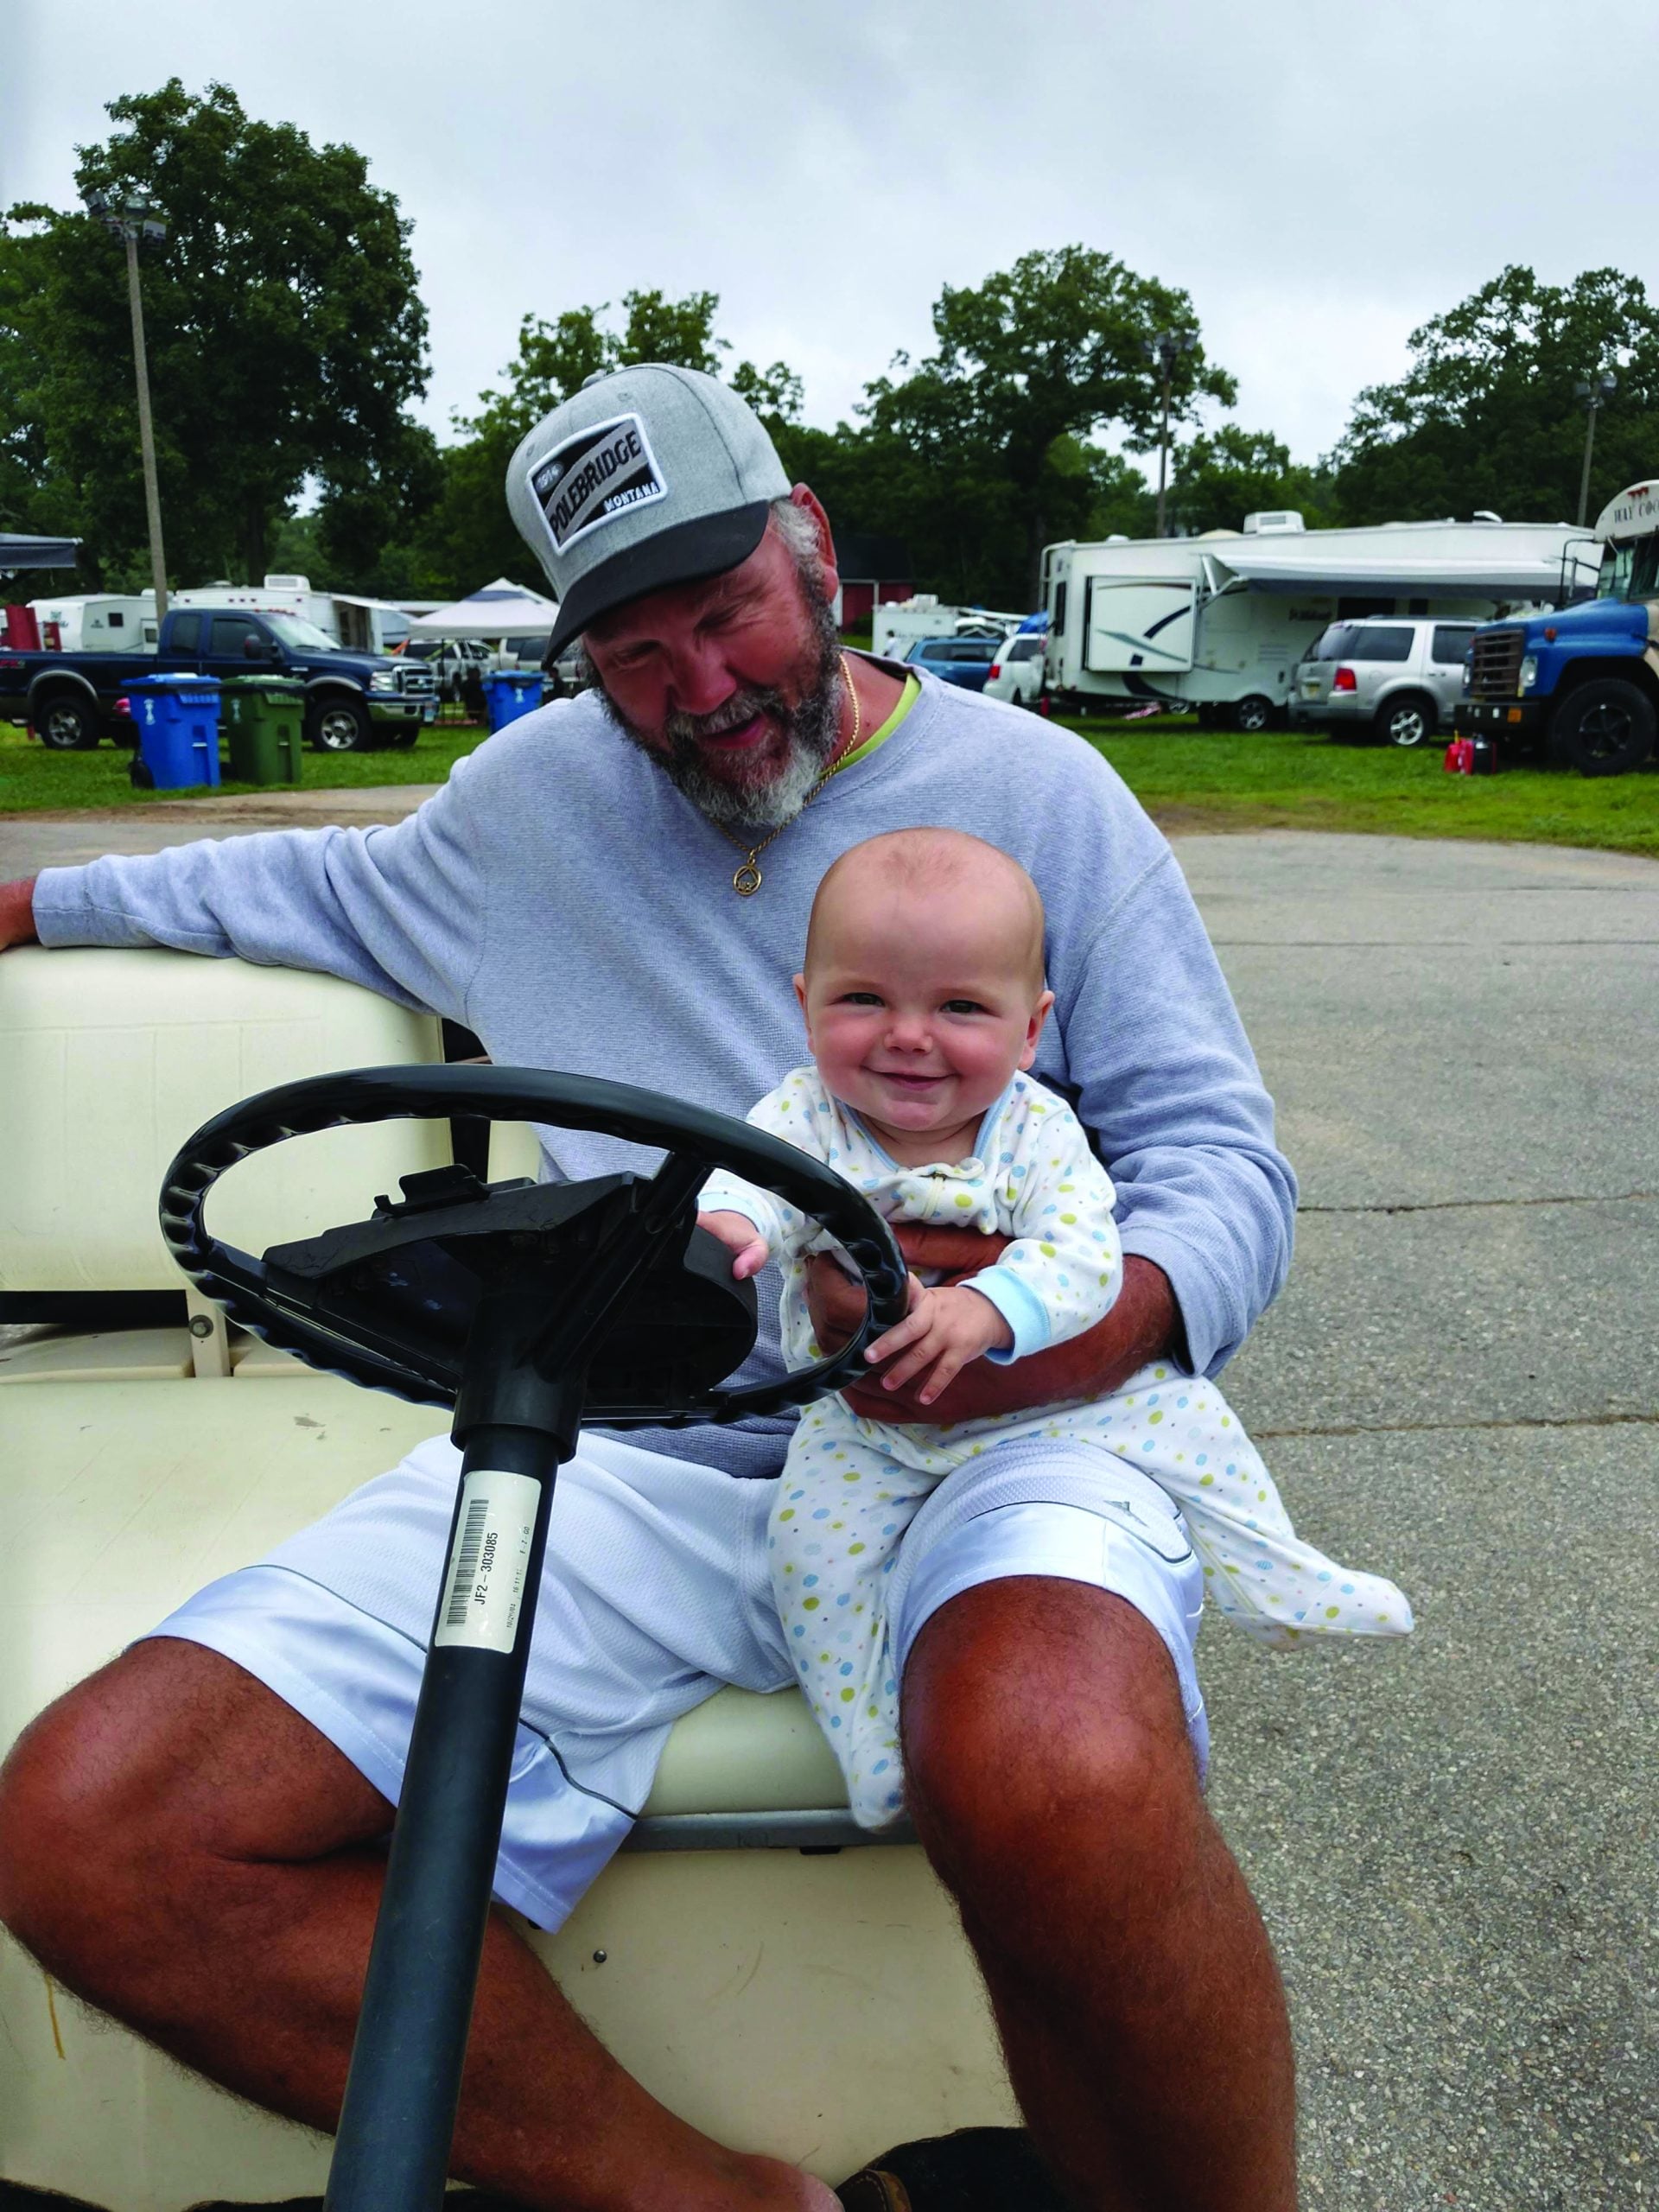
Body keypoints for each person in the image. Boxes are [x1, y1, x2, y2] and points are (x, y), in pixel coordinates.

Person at [0, 365, 1305, 2211]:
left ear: (813, 549)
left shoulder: (1043, 797)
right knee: (95, 1827)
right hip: (632, 1444)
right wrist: (32, 906)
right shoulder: (527, 807)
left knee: (1055, 1762)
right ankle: (720, 2201)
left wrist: (1051, 1335)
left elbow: (1220, 1158)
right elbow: (301, 883)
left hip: (996, 1434)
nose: (698, 685)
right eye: (632, 648)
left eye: (725, 610)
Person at [698, 829, 1410, 1830]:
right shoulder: (805, 1117)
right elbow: (752, 1181)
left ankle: (1280, 1575)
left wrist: (987, 1307)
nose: (908, 1036)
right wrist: (732, 1224)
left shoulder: (1035, 1130)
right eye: (863, 999)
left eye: (959, 1007)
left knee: (1197, 1426)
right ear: (805, 1004)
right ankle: (862, 1735)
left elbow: (1087, 1256)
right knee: (811, 1552)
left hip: (1056, 1408)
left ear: (1031, 1029)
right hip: (868, 1426)